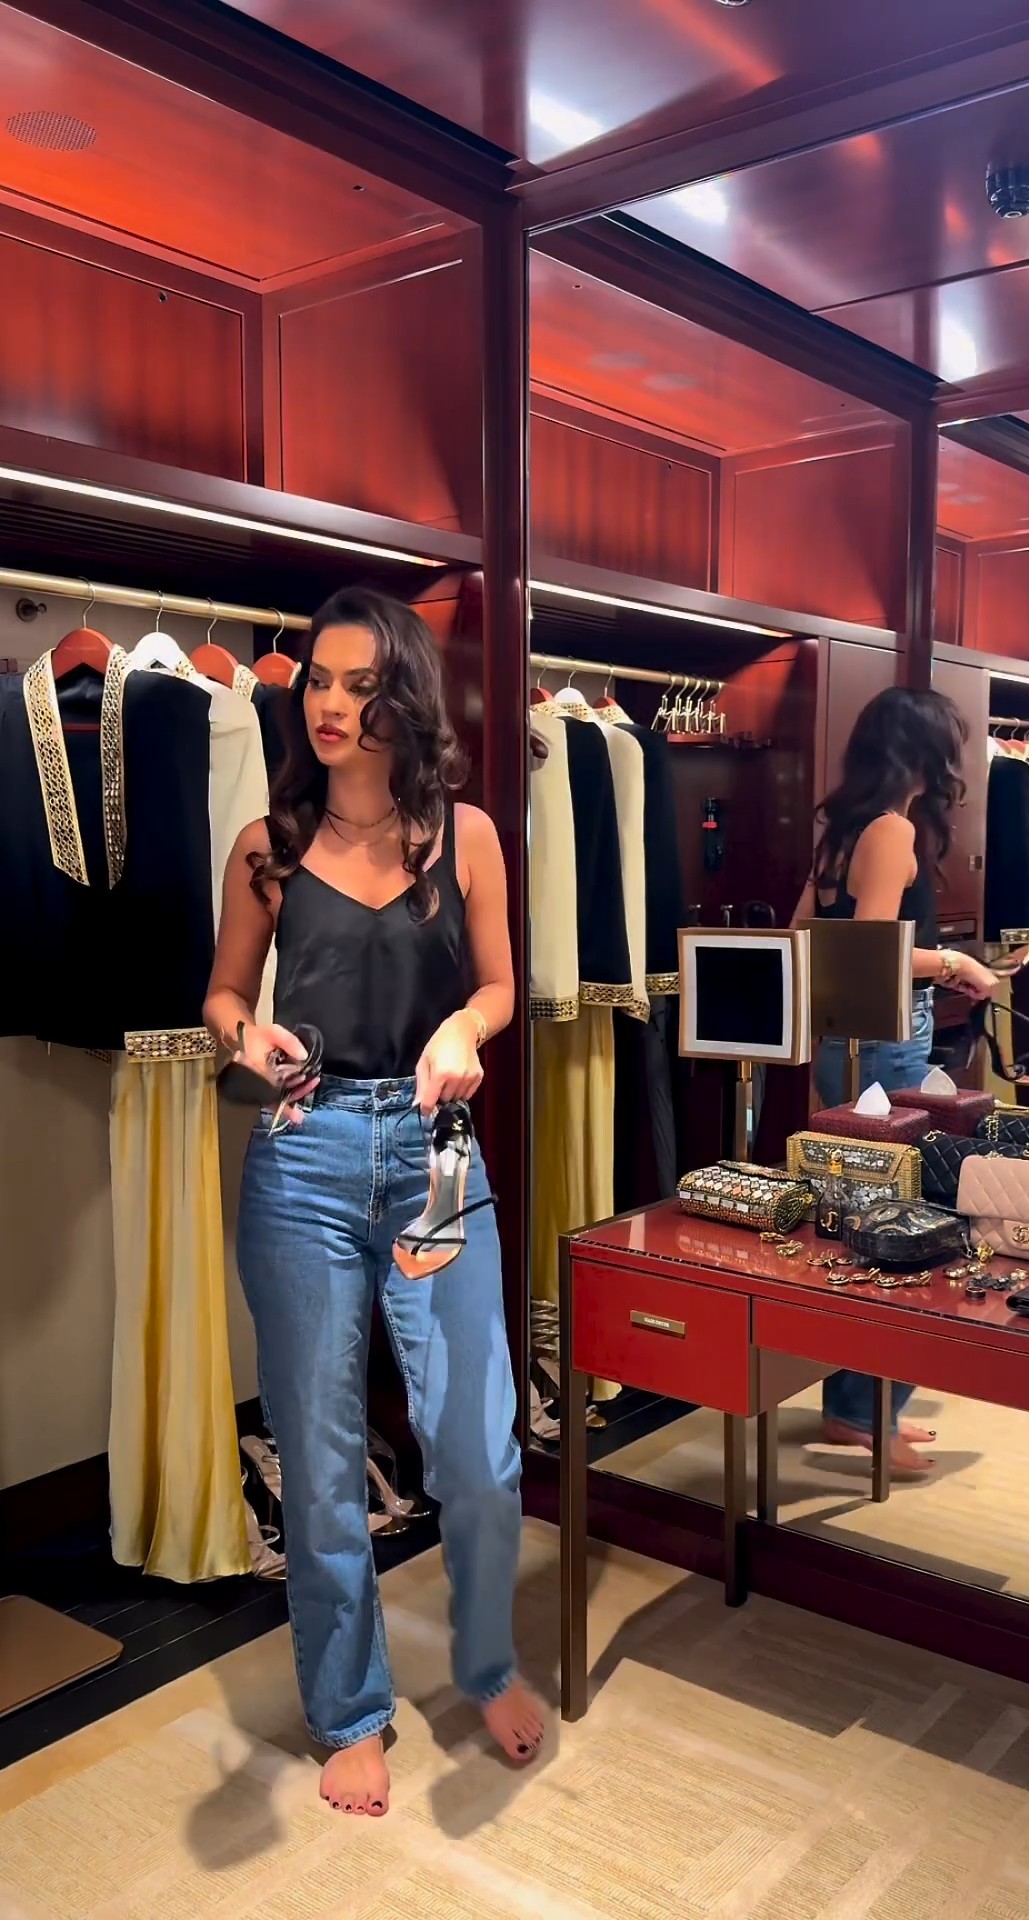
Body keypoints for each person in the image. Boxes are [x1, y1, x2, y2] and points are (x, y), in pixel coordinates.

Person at [205, 585, 543, 1817]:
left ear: (404, 694)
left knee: (480, 1443)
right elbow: (223, 993)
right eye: (319, 681)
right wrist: (244, 1036)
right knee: (320, 1449)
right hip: (302, 1154)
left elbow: (503, 986)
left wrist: (465, 1026)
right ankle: (349, 1706)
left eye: (360, 683)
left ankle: (487, 1661)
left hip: (433, 1152)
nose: (331, 704)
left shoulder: (467, 835)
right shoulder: (269, 845)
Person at [794, 688, 999, 1476]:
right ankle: (860, 1413)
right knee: (913, 1223)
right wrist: (955, 962)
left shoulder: (846, 830)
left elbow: (808, 935)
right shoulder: (890, 830)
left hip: (853, 1043)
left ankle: (860, 1407)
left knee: (868, 1218)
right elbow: (875, 950)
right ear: (923, 752)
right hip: (883, 1044)